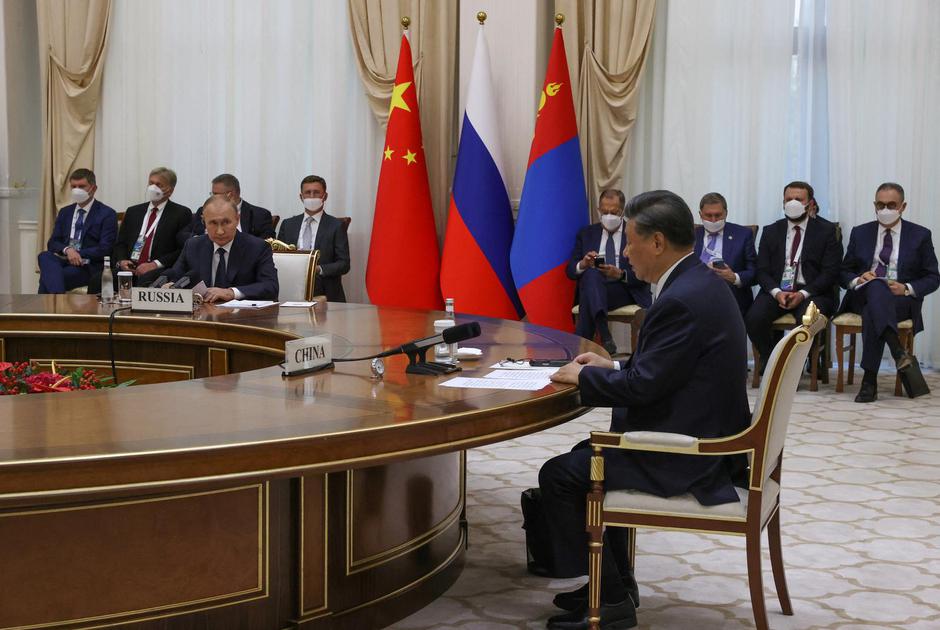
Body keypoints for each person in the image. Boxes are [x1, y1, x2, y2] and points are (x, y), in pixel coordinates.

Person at [541, 190, 750, 630]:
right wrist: (611, 363)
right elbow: (667, 365)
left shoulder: (681, 298)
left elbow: (644, 386)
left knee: (560, 476)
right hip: (706, 432)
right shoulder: (697, 282)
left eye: (632, 241)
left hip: (689, 455)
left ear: (656, 242)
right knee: (585, 454)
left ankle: (611, 598)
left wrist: (584, 379)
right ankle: (613, 581)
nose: (626, 251)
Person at [839, 182, 938, 402]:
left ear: (903, 206)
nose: (885, 210)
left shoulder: (920, 235)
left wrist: (907, 288)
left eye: (891, 205)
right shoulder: (861, 232)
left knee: (872, 311)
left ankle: (869, 381)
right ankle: (897, 350)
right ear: (874, 205)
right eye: (880, 205)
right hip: (862, 293)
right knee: (875, 286)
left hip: (899, 299)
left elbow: (933, 277)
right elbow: (844, 271)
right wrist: (858, 278)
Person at [745, 181, 842, 372]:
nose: (793, 203)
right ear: (783, 203)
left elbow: (830, 272)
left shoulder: (826, 231)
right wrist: (776, 292)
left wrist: (803, 294)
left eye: (799, 199)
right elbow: (762, 270)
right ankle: (772, 359)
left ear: (810, 203)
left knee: (807, 321)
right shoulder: (771, 231)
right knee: (754, 318)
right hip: (777, 291)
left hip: (813, 293)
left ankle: (793, 366)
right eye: (789, 199)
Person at [566, 189, 651, 355]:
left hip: (624, 290)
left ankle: (580, 350)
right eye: (605, 212)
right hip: (596, 287)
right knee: (591, 274)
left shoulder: (637, 232)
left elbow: (646, 273)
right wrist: (583, 264)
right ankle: (604, 334)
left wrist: (619, 274)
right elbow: (570, 272)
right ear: (599, 210)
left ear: (623, 211)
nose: (609, 216)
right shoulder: (586, 234)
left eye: (614, 212)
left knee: (588, 297)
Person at [166, 196, 278, 302]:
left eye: (226, 222)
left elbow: (270, 286)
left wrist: (231, 293)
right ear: (204, 222)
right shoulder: (193, 245)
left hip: (240, 317)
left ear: (237, 219)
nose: (220, 231)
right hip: (202, 315)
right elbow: (176, 275)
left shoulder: (257, 247)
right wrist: (170, 285)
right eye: (213, 223)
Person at [38, 168, 118, 294]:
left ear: (93, 189)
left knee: (48, 278)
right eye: (73, 186)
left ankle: (51, 308)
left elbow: (105, 248)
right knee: (44, 256)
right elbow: (53, 243)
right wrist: (68, 250)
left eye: (81, 186)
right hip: (64, 259)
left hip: (87, 265)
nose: (76, 190)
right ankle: (56, 306)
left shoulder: (107, 214)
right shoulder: (65, 212)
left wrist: (78, 253)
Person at [112, 167, 193, 286]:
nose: (153, 188)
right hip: (130, 267)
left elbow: (182, 249)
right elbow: (121, 243)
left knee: (145, 280)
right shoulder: (133, 211)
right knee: (98, 280)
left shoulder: (181, 213)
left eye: (159, 185)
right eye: (151, 183)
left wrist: (155, 264)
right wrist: (122, 261)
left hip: (157, 268)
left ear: (170, 190)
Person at [276, 175, 350, 302]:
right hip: (291, 288)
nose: (311, 196)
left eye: (316, 193)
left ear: (324, 196)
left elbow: (344, 264)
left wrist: (317, 269)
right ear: (301, 197)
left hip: (324, 290)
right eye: (307, 193)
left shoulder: (336, 226)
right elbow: (277, 257)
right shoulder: (288, 224)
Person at [693, 192, 758, 317]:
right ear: (700, 215)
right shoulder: (691, 236)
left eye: (718, 215)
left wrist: (734, 277)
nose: (713, 220)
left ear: (726, 213)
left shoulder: (743, 235)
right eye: (708, 215)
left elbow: (754, 272)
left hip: (730, 296)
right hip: (695, 296)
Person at [184, 173, 275, 241]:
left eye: (215, 194)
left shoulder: (259, 215)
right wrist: (197, 239)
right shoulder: (204, 210)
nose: (212, 197)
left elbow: (267, 241)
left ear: (230, 195)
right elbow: (184, 234)